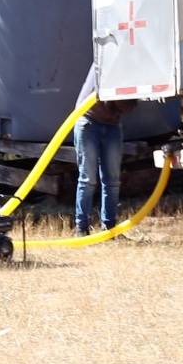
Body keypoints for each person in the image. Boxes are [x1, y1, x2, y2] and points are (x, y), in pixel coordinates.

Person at [73, 63, 137, 236]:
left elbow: (128, 106)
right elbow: (113, 101)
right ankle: (81, 228)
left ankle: (109, 228)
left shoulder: (134, 69)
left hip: (112, 125)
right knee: (87, 179)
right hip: (88, 121)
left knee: (112, 180)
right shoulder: (106, 58)